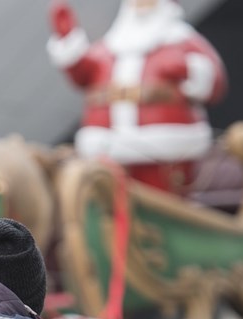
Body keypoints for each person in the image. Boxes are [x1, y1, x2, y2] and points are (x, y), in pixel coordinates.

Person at [46, 0, 228, 196]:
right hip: (105, 149)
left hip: (164, 149)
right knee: (107, 200)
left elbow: (214, 82)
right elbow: (83, 74)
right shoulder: (113, 43)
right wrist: (68, 41)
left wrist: (187, 67)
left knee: (161, 200)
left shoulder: (182, 41)